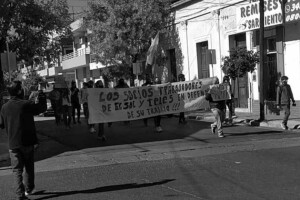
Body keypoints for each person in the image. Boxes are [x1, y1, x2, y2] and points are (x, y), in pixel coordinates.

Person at [0, 81, 47, 200]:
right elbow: (42, 108)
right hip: (27, 141)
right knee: (28, 167)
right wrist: (41, 93)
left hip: (13, 143)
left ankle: (20, 195)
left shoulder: (5, 107)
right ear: (20, 91)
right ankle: (29, 189)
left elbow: (1, 124)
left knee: (16, 170)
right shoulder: (26, 104)